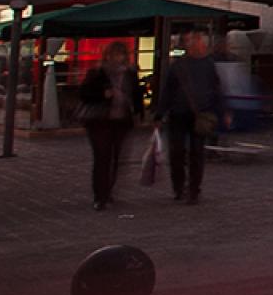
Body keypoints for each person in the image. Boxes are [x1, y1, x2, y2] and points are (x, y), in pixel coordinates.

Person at [158, 30, 226, 204]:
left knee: (196, 152)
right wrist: (159, 113)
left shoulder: (208, 65)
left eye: (196, 41)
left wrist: (221, 110)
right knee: (177, 152)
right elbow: (168, 91)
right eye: (190, 42)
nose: (193, 45)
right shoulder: (178, 66)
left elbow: (216, 89)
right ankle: (179, 186)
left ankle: (193, 189)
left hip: (200, 114)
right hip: (178, 114)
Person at [76, 42, 142, 210]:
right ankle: (100, 195)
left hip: (121, 121)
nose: (117, 58)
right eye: (113, 54)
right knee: (102, 157)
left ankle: (108, 190)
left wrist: (138, 113)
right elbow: (84, 93)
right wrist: (102, 94)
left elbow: (136, 95)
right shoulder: (97, 73)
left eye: (120, 54)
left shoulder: (129, 74)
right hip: (99, 120)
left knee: (115, 158)